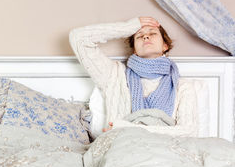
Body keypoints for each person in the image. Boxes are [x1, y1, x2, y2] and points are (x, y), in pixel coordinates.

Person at [69, 17, 197, 137]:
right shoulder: (115, 74)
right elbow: (78, 38)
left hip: (165, 152)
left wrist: (124, 128)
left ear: (165, 46)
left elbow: (189, 132)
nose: (146, 36)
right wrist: (129, 27)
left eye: (152, 33)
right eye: (139, 36)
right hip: (121, 150)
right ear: (134, 50)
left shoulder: (182, 87)